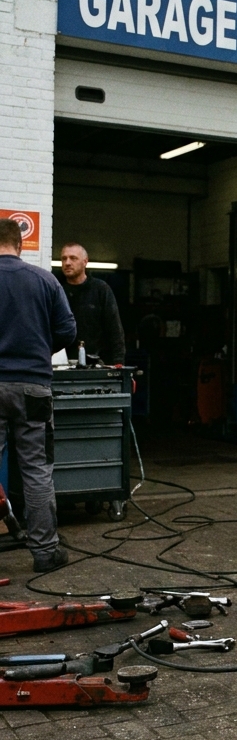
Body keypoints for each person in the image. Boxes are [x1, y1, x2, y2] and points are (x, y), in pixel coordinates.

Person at [0, 218, 77, 572]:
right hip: (33, 386)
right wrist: (40, 350)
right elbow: (68, 330)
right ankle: (45, 552)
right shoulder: (45, 280)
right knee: (36, 469)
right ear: (20, 245)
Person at [59, 243, 126, 366]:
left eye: (73, 258)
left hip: (98, 364)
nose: (67, 263)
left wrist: (118, 362)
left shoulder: (101, 289)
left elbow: (115, 328)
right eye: (64, 258)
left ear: (85, 262)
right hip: (63, 365)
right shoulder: (57, 291)